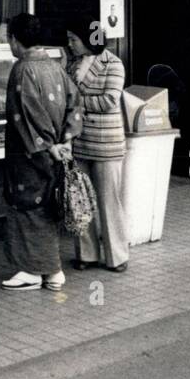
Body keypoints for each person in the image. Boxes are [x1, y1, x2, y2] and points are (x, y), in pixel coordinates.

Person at [0, 13, 81, 293]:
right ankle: (52, 271)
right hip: (57, 148)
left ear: (14, 39)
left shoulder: (22, 70)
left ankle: (32, 271)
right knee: (46, 209)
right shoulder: (55, 66)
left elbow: (26, 117)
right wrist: (64, 142)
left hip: (30, 153)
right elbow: (74, 103)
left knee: (27, 207)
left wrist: (45, 148)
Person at [65, 16, 129, 272]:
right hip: (80, 143)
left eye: (73, 39)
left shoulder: (113, 64)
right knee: (81, 201)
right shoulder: (71, 65)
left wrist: (78, 104)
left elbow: (109, 101)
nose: (70, 44)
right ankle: (87, 255)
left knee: (108, 201)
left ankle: (117, 256)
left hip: (106, 145)